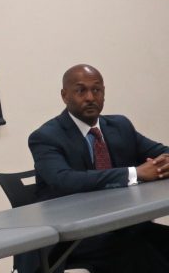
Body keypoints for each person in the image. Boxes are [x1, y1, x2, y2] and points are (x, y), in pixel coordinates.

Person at [29, 64, 169, 272]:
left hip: (124, 225)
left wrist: (164, 163)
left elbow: (160, 151)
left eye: (97, 90)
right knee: (140, 255)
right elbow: (65, 180)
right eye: (80, 90)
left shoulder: (120, 125)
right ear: (64, 95)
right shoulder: (46, 137)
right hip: (78, 235)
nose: (90, 97)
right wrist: (134, 173)